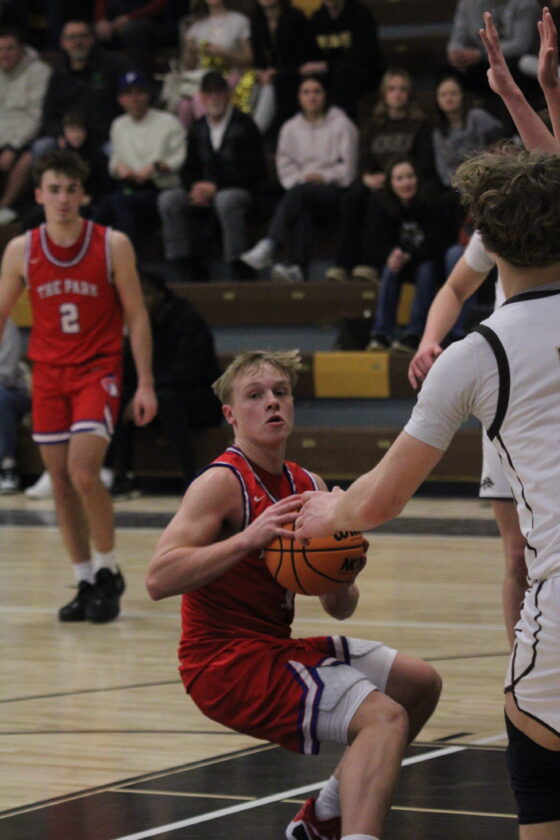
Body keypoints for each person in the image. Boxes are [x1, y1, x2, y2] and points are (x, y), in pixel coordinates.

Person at [296, 147, 560, 837]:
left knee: (539, 765)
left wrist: (329, 509)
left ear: (486, 241)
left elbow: (380, 501)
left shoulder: (478, 354)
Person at [146, 348, 441, 840]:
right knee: (384, 719)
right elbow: (157, 578)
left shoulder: (308, 485)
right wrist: (247, 539)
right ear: (230, 414)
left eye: (280, 392)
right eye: (255, 395)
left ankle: (322, 818)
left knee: (418, 685)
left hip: (270, 648)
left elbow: (340, 608)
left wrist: (344, 564)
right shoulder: (221, 482)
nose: (271, 402)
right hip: (222, 662)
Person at [0, 149, 157, 623]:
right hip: (48, 375)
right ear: (39, 195)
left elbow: (137, 315)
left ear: (83, 194)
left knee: (83, 471)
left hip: (98, 370)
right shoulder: (21, 250)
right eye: (54, 190)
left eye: (71, 190)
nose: (63, 199)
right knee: (60, 482)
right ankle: (85, 577)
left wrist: (145, 383)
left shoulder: (112, 244)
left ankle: (109, 570)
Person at [408, 230, 527, 647]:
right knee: (518, 555)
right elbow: (455, 288)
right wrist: (429, 341)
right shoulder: (502, 216)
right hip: (510, 395)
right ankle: (520, 672)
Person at [109, 271, 223, 498]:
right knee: (121, 397)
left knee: (166, 399)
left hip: (199, 401)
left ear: (160, 295)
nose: (141, 300)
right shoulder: (135, 327)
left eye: (146, 294)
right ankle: (121, 476)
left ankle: (189, 476)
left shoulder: (188, 321)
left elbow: (187, 372)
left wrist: (148, 391)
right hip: (158, 400)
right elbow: (129, 372)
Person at [241, 73, 358, 283]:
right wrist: (304, 179)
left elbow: (349, 170)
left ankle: (270, 243)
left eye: (317, 91)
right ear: (299, 97)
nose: (312, 97)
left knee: (300, 194)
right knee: (301, 204)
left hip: (335, 192)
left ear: (325, 95)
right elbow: (285, 168)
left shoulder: (342, 124)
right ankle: (298, 269)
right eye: (306, 92)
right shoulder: (290, 128)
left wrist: (322, 177)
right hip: (302, 192)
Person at [325, 67, 436, 284]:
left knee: (378, 200)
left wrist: (395, 178)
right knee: (351, 198)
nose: (397, 94)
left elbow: (424, 163)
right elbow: (364, 159)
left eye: (402, 89)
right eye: (392, 89)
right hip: (377, 180)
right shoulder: (373, 125)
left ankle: (369, 264)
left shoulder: (420, 125)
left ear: (409, 94)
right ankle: (343, 263)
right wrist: (366, 177)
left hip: (406, 182)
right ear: (384, 93)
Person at [157, 70, 267, 283]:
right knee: (168, 199)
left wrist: (216, 187)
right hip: (204, 192)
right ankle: (184, 262)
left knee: (226, 199)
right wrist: (195, 188)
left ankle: (237, 264)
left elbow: (254, 171)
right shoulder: (198, 127)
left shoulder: (245, 125)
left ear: (228, 94)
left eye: (219, 92)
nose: (214, 98)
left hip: (242, 192)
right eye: (209, 93)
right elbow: (188, 168)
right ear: (201, 97)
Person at [362, 156, 451, 353]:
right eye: (399, 178)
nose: (406, 183)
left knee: (426, 270)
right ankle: (381, 334)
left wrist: (410, 255)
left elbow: (438, 243)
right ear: (391, 183)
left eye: (410, 176)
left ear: (418, 179)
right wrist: (391, 255)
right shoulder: (380, 204)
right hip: (400, 262)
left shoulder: (432, 202)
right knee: (390, 269)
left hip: (426, 260)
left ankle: (414, 334)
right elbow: (374, 243)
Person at [94, 69, 186, 253]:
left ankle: (129, 257)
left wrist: (155, 167)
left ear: (148, 95)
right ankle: (89, 256)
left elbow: (180, 158)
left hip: (160, 188)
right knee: (104, 205)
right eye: (128, 94)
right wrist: (120, 169)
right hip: (130, 187)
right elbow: (114, 160)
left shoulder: (168, 122)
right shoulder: (119, 125)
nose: (134, 99)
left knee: (120, 202)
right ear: (120, 99)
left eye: (139, 93)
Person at [33, 19, 129, 161]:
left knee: (117, 153)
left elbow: (129, 100)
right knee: (42, 146)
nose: (78, 42)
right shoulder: (58, 74)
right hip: (68, 137)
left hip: (105, 137)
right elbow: (49, 115)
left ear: (92, 39)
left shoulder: (113, 64)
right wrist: (61, 134)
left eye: (83, 36)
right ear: (63, 43)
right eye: (72, 37)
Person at [0, 26, 52, 225]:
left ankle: (4, 206)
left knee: (27, 159)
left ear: (21, 49)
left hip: (27, 137)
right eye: (0, 49)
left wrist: (13, 146)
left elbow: (35, 118)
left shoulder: (39, 72)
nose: (4, 54)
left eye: (10, 48)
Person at [301, 0, 384, 121]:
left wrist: (328, 65)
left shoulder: (361, 15)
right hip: (329, 73)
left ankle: (343, 124)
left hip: (362, 73)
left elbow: (366, 55)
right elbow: (311, 54)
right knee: (307, 77)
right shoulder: (318, 18)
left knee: (343, 74)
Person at [446, 0, 540, 100]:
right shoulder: (468, 4)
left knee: (515, 68)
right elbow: (456, 40)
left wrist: (482, 53)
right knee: (449, 71)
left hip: (513, 61)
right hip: (480, 62)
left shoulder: (526, 4)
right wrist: (457, 54)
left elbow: (520, 45)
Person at [250, 0, 317, 134]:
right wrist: (260, 72)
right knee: (249, 84)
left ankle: (255, 134)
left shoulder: (295, 17)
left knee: (274, 85)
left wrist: (276, 72)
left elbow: (305, 56)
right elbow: (257, 58)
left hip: (293, 72)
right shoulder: (257, 20)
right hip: (266, 75)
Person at [432, 71, 506, 189]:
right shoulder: (438, 132)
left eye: (453, 93)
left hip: (487, 178)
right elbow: (443, 168)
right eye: (443, 95)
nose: (449, 98)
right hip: (457, 187)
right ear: (437, 100)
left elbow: (500, 145)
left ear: (462, 95)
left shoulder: (478, 117)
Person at [0, 316, 30, 493]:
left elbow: (7, 374)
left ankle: (7, 468)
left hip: (12, 392)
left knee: (1, 398)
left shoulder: (6, 325)